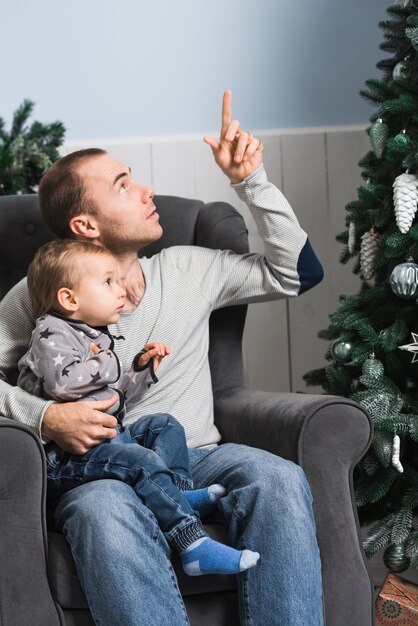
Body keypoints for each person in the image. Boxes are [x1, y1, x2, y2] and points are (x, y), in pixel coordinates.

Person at [0, 90, 325, 625]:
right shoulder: (37, 296)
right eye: (124, 185)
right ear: (86, 225)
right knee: (102, 512)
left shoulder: (190, 268)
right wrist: (47, 417)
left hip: (194, 455)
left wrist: (252, 181)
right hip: (96, 473)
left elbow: (300, 274)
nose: (147, 190)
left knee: (279, 478)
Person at [17, 238, 260, 577]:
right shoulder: (49, 333)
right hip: (64, 459)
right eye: (107, 282)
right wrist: (111, 366)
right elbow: (64, 384)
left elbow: (114, 396)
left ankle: (179, 492)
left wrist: (142, 370)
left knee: (164, 424)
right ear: (69, 298)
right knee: (141, 460)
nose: (121, 290)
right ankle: (192, 544)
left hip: (105, 439)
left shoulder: (92, 334)